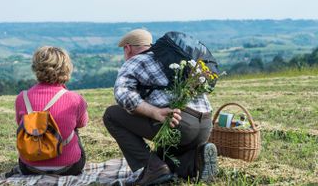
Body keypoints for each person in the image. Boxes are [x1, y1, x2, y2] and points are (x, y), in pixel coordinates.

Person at [103, 29, 218, 185]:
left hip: (178, 122)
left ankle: (151, 168)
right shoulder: (169, 59)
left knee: (112, 114)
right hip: (205, 125)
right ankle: (194, 164)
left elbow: (122, 95)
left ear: (127, 48)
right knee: (164, 158)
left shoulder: (135, 61)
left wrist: (154, 112)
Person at [15, 46, 88, 175]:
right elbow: (82, 123)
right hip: (68, 168)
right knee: (74, 128)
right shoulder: (75, 99)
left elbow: (19, 123)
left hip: (29, 167)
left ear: (36, 68)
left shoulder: (22, 97)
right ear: (66, 68)